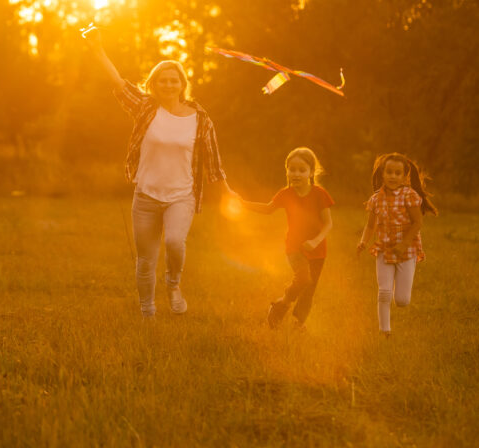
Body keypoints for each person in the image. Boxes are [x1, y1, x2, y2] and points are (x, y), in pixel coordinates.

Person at [83, 25, 234, 318]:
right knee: (145, 260)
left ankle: (173, 283)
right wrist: (97, 49)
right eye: (162, 80)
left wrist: (228, 192)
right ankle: (147, 312)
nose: (168, 85)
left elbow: (213, 160)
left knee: (176, 243)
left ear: (182, 84)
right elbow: (117, 82)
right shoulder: (145, 108)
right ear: (154, 84)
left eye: (173, 80)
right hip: (146, 195)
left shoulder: (200, 118)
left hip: (182, 195)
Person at [239, 147, 334, 328]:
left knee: (309, 290)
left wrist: (315, 242)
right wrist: (243, 204)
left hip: (318, 249)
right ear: (287, 171)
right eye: (292, 169)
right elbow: (267, 209)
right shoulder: (286, 194)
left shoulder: (320, 194)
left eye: (301, 170)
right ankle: (282, 304)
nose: (296, 173)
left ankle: (299, 323)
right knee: (303, 278)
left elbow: (328, 224)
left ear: (311, 172)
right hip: (294, 247)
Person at [356, 152, 438, 336]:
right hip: (384, 250)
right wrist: (363, 242)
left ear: (404, 176)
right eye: (389, 172)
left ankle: (400, 291)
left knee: (402, 300)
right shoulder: (376, 199)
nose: (392, 176)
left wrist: (403, 244)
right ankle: (385, 331)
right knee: (384, 292)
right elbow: (370, 226)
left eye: (397, 173)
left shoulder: (409, 195)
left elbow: (417, 223)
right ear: (382, 174)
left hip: (406, 251)